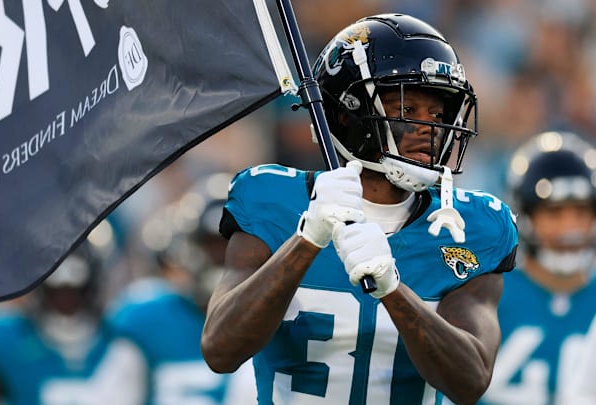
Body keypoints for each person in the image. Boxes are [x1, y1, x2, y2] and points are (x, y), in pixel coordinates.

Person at [200, 13, 519, 405]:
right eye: (408, 107)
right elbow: (220, 348)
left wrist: (392, 289)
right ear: (347, 115)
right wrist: (306, 241)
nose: (429, 128)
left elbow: (469, 380)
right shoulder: (271, 199)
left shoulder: (469, 227)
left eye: (437, 114)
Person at [105, 172, 257, 404]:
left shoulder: (276, 315)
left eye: (230, 245)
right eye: (211, 244)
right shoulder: (147, 315)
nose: (220, 257)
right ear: (189, 246)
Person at [479, 131, 596, 405]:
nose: (570, 229)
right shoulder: (486, 294)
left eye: (581, 212)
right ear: (526, 217)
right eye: (555, 213)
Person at [0, 223, 123, 405]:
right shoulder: (4, 341)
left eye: (75, 293)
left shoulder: (124, 340)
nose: (66, 305)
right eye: (56, 294)